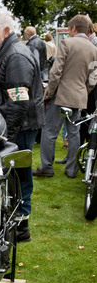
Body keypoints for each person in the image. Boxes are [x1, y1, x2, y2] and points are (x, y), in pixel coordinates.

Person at [0, 11, 44, 242]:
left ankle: (21, 226)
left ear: (6, 31)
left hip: (19, 127)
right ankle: (14, 221)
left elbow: (19, 103)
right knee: (15, 175)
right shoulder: (7, 51)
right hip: (16, 125)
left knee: (19, 175)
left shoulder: (16, 55)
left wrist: (6, 138)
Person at [33, 14, 97, 179]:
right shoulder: (93, 48)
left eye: (69, 29)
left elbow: (56, 72)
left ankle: (46, 167)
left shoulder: (66, 43)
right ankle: (72, 170)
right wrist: (84, 91)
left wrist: (49, 93)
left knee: (49, 131)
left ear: (74, 28)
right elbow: (93, 78)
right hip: (79, 96)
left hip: (61, 95)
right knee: (74, 133)